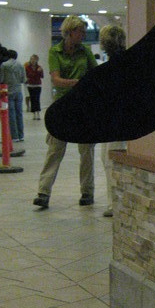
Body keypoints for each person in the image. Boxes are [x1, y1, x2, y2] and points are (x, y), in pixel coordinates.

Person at [32, 16, 97, 209]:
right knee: (55, 149)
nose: (83, 35)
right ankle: (43, 192)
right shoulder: (55, 51)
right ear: (69, 32)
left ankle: (87, 192)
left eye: (84, 31)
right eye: (80, 31)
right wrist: (78, 83)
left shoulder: (85, 52)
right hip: (62, 106)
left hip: (84, 106)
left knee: (87, 151)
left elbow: (96, 74)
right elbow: (56, 80)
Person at [99, 24, 128, 217]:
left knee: (110, 160)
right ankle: (114, 201)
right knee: (108, 159)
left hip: (116, 121)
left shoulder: (116, 65)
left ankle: (114, 203)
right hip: (113, 120)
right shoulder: (120, 62)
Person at [0, 49, 26, 143]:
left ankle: (14, 136)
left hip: (8, 91)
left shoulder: (4, 65)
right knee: (19, 113)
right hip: (18, 91)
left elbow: (1, 79)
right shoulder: (21, 65)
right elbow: (23, 79)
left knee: (11, 114)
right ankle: (21, 135)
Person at [25, 54, 44, 120]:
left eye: (34, 59)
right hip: (30, 85)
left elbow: (42, 76)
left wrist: (40, 71)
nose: (33, 60)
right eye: (31, 59)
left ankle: (38, 113)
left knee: (37, 99)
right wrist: (36, 72)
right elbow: (28, 75)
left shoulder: (39, 67)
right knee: (32, 99)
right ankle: (34, 114)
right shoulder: (27, 67)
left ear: (37, 60)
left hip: (38, 85)